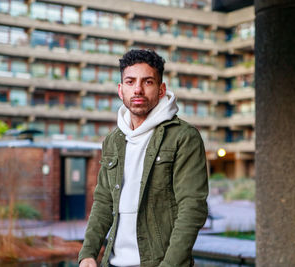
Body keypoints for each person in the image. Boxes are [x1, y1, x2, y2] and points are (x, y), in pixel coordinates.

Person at [78, 49, 208, 267]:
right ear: (121, 90)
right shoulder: (113, 141)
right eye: (130, 82)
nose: (137, 89)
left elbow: (192, 208)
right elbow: (103, 201)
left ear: (161, 89)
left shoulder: (183, 137)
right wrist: (88, 253)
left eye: (147, 82)